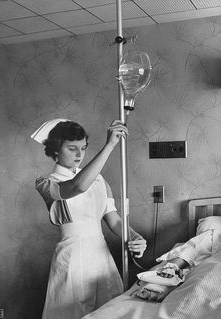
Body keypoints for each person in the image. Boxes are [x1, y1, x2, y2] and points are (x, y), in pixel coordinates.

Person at [31, 118, 147, 319]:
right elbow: (77, 186)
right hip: (72, 261)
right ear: (56, 150)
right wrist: (110, 145)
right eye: (72, 148)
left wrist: (136, 238)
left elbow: (115, 221)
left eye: (83, 148)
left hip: (102, 260)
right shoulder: (47, 183)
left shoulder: (99, 179)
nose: (79, 154)